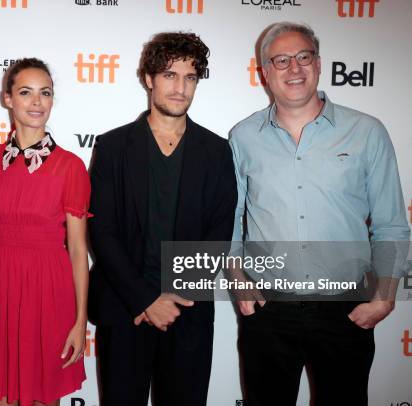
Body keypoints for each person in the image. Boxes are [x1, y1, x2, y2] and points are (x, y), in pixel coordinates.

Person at [229, 22, 410, 406]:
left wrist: (386, 294)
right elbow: (232, 217)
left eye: (303, 57)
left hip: (346, 310)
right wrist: (237, 276)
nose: (294, 68)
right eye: (281, 60)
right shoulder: (242, 137)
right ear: (264, 72)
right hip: (269, 311)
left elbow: (392, 221)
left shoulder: (367, 131)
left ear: (319, 63)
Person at [88, 32, 237, 406]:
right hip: (125, 310)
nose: (180, 87)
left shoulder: (217, 151)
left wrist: (175, 297)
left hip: (187, 312)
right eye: (170, 75)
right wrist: (145, 300)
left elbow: (219, 233)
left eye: (190, 77)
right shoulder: (112, 147)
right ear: (149, 78)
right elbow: (101, 231)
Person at [0, 58, 89, 406]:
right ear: (8, 99)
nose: (36, 102)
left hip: (50, 289)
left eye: (45, 93)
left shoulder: (71, 166)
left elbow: (78, 250)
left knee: (44, 397)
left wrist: (80, 321)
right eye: (26, 92)